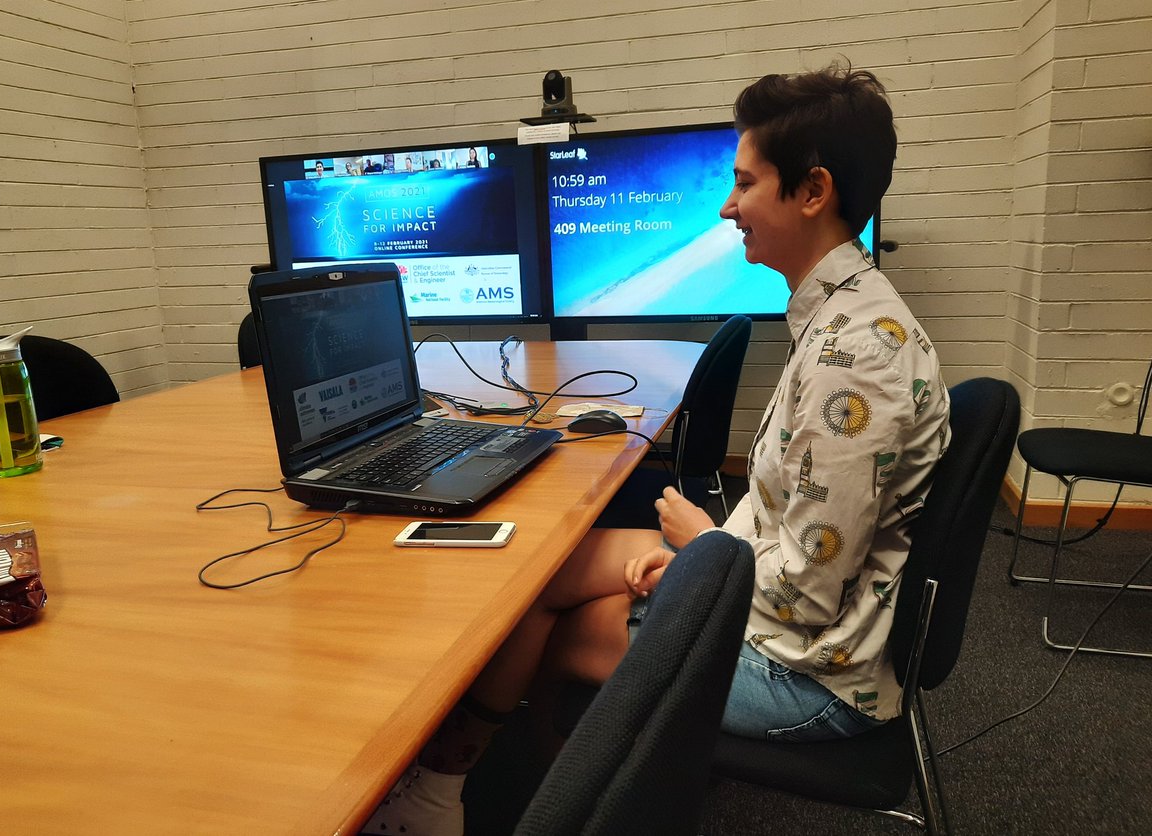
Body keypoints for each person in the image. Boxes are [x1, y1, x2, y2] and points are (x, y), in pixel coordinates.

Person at [361, 63, 949, 836]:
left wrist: (701, 548)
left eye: (744, 184)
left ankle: (522, 807)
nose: (726, 206)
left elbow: (806, 593)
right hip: (790, 610)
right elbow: (791, 520)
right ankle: (463, 795)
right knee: (550, 571)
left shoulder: (856, 361)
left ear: (813, 192)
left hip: (816, 678)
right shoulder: (844, 318)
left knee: (554, 624)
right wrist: (700, 560)